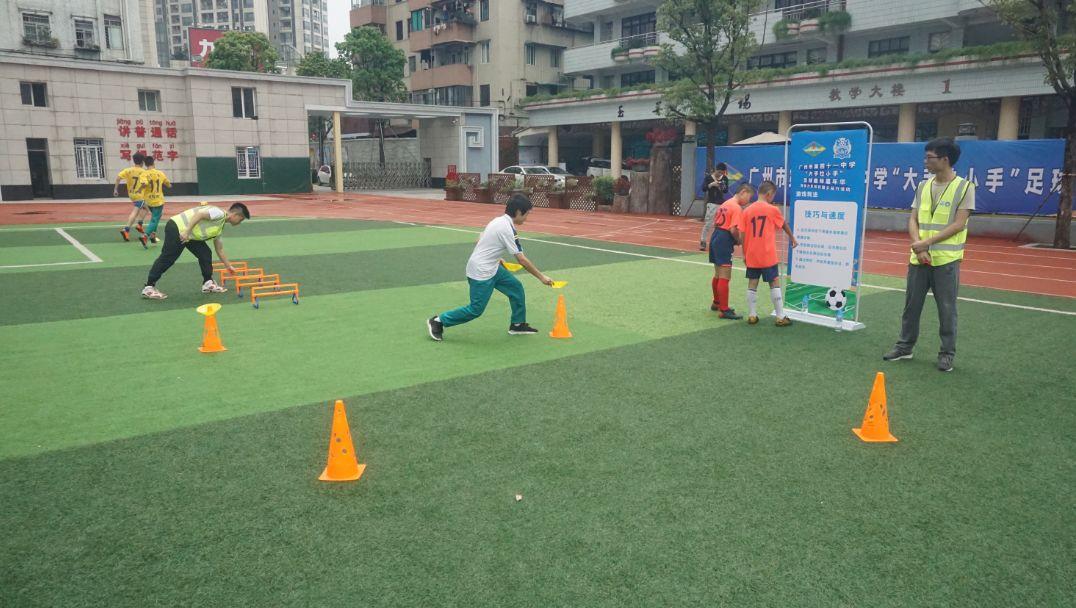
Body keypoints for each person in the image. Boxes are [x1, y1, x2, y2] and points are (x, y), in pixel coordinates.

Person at [883, 138, 975, 372]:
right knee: (911, 306)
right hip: (918, 259)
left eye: (929, 158)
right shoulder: (923, 186)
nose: (925, 162)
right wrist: (920, 247)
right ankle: (904, 346)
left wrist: (927, 243)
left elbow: (959, 224)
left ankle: (947, 354)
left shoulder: (965, 188)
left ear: (945, 159)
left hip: (946, 261)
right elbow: (913, 219)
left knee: (947, 309)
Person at [427, 194, 555, 341]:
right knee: (475, 310)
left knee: (515, 287)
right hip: (481, 272)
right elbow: (521, 259)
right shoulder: (507, 228)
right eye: (527, 214)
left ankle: (517, 324)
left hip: (492, 267)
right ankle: (438, 321)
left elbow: (481, 238)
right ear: (519, 212)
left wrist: (496, 257)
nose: (527, 218)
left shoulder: (498, 220)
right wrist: (542, 277)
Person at [141, 203, 250, 300]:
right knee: (168, 258)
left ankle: (208, 283)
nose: (239, 223)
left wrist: (228, 266)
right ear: (235, 215)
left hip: (190, 235)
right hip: (178, 228)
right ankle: (149, 287)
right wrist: (187, 231)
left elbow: (219, 249)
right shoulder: (219, 213)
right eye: (240, 220)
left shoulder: (220, 226)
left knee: (205, 253)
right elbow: (200, 214)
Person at [739, 180, 797, 326]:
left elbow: (742, 234)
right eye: (773, 196)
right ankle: (780, 316)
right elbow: (783, 224)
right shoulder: (772, 210)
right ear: (769, 194)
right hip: (767, 254)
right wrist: (792, 238)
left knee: (752, 283)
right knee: (774, 283)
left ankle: (752, 315)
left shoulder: (747, 211)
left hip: (752, 253)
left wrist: (745, 253)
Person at [709, 183, 754, 319]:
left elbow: (716, 222)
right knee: (725, 275)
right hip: (724, 239)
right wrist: (739, 240)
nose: (748, 201)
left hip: (716, 236)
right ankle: (724, 309)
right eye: (749, 197)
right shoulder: (736, 208)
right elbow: (733, 229)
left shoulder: (725, 203)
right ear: (743, 192)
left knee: (718, 273)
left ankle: (717, 302)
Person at [132, 155, 171, 249]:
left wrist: (139, 189)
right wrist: (169, 186)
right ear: (153, 163)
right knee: (155, 219)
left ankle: (153, 236)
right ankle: (145, 236)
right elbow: (168, 184)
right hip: (158, 200)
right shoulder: (160, 173)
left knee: (157, 216)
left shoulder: (144, 174)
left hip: (148, 200)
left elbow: (144, 183)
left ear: (145, 164)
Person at [114, 153, 148, 241]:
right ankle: (126, 229)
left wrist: (115, 189)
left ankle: (139, 225)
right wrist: (140, 189)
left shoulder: (128, 170)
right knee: (136, 211)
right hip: (139, 194)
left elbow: (118, 178)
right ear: (142, 162)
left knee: (146, 208)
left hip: (131, 194)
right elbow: (145, 184)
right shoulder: (143, 171)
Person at [699, 163, 729, 250]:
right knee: (708, 223)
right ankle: (703, 241)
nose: (720, 174)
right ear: (716, 170)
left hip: (721, 204)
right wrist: (711, 184)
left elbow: (726, 190)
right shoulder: (709, 178)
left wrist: (722, 186)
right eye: (719, 172)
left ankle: (717, 242)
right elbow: (704, 188)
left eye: (722, 173)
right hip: (712, 203)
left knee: (720, 225)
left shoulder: (724, 178)